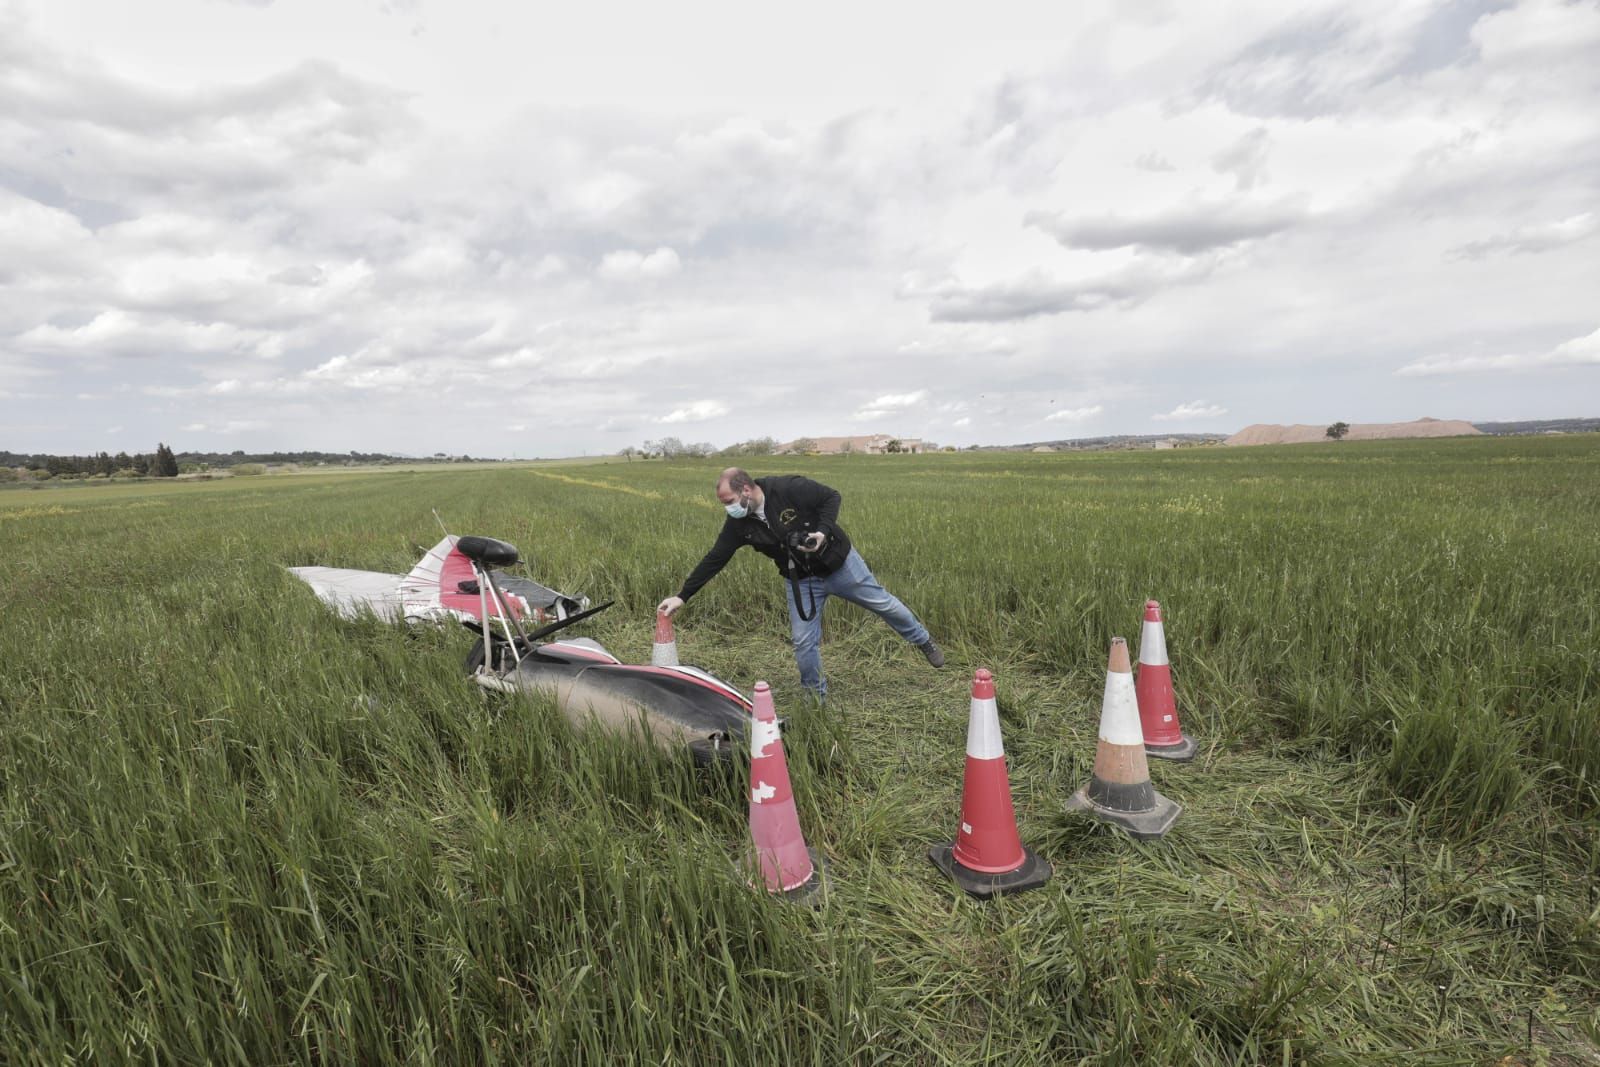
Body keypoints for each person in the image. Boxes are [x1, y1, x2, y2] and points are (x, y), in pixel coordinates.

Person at [657, 467, 943, 700]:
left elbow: (831, 497)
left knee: (883, 604)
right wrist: (683, 595)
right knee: (803, 641)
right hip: (801, 581)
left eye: (729, 502)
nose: (728, 509)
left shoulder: (788, 488)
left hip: (840, 566)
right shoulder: (739, 524)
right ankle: (814, 699)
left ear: (745, 489)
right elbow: (716, 558)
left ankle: (922, 640)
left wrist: (821, 531)